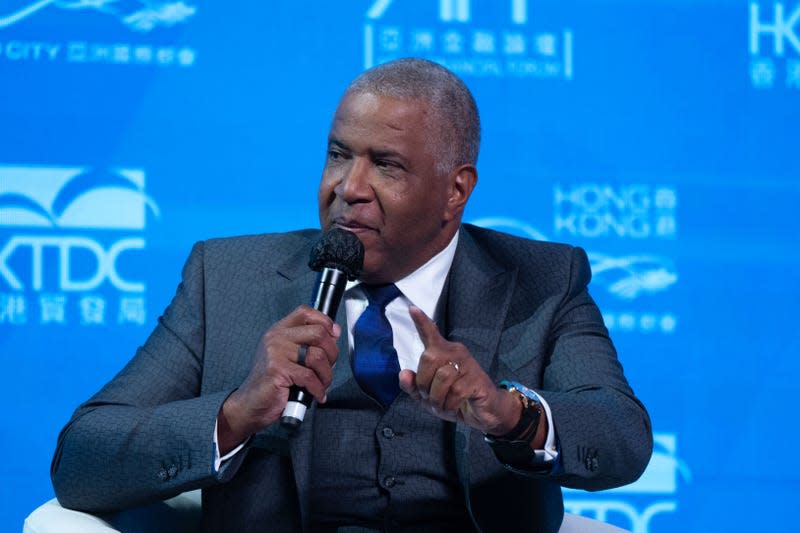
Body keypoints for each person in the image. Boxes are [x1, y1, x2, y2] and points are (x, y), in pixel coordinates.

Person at [51, 58, 652, 532]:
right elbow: (81, 460)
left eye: (386, 166)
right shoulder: (226, 277)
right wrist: (234, 414)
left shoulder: (542, 280)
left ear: (454, 191)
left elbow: (622, 436)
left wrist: (508, 413)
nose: (348, 189)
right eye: (339, 155)